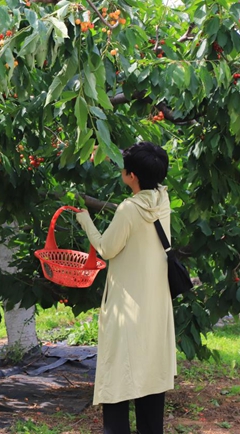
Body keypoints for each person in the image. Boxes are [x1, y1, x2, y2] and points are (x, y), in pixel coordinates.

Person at [74, 141, 176, 434]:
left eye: (124, 167)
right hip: (156, 306)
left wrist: (84, 219)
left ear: (132, 176)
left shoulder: (129, 209)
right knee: (151, 376)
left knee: (118, 377)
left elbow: (106, 248)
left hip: (128, 307)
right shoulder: (162, 200)